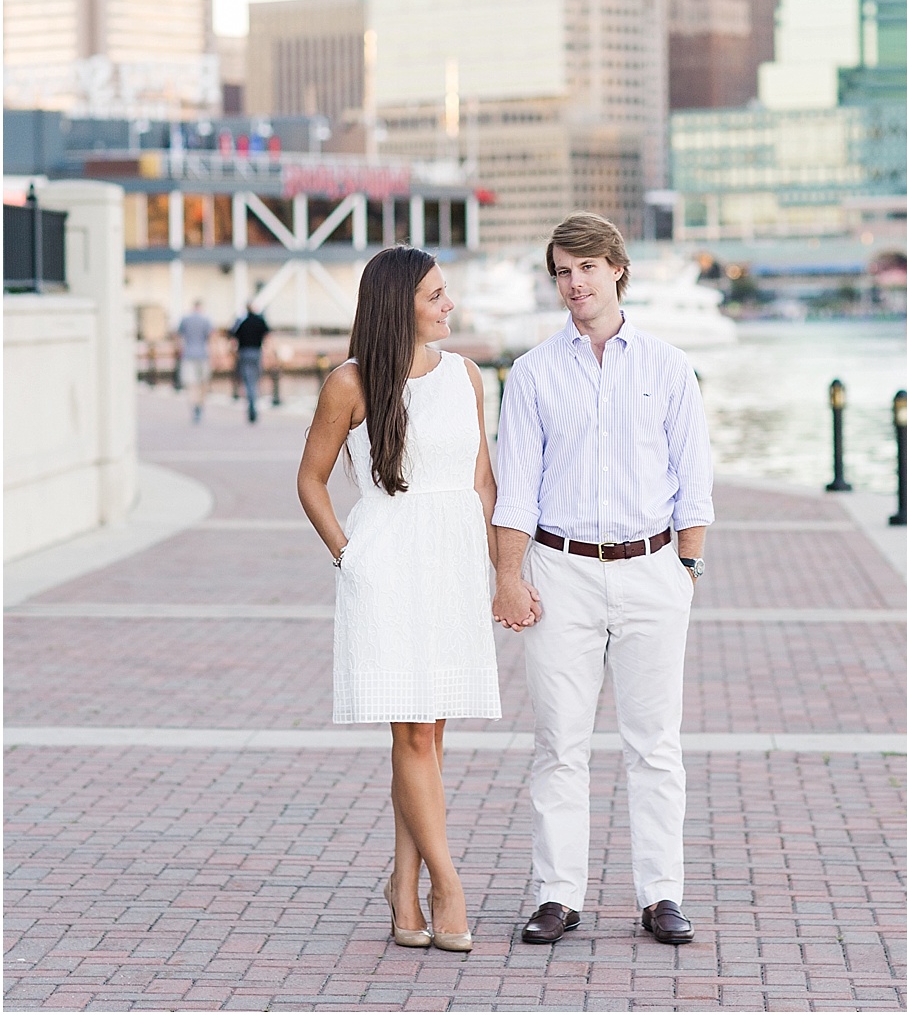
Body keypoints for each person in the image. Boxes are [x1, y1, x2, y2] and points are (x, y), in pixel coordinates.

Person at [492, 212, 714, 947]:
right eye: (561, 270)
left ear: (617, 268)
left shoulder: (668, 367)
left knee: (655, 743)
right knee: (560, 742)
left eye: (585, 267)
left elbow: (694, 481)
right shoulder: (531, 373)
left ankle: (661, 896)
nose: (573, 283)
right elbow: (515, 490)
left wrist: (686, 569)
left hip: (653, 569)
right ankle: (558, 894)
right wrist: (510, 577)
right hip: (560, 572)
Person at [297, 246, 507, 953]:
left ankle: (401, 887)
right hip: (386, 566)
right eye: (436, 296)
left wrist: (499, 569)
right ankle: (447, 885)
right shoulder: (349, 384)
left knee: (428, 736)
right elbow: (311, 481)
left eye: (447, 294)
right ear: (398, 306)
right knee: (414, 733)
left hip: (451, 566)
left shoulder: (468, 377)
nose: (450, 306)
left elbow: (483, 482)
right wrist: (348, 557)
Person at [229, 302, 270, 422]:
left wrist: (233, 352)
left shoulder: (242, 321)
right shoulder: (260, 320)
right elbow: (267, 335)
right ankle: (254, 402)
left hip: (244, 353)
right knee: (256, 379)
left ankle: (251, 403)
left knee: (247, 381)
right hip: (256, 352)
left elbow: (232, 336)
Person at [175, 300, 214, 422]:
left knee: (191, 384)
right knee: (203, 382)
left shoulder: (185, 320)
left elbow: (178, 336)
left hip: (189, 354)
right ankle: (200, 405)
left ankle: (194, 406)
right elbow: (211, 337)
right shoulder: (206, 320)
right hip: (203, 354)